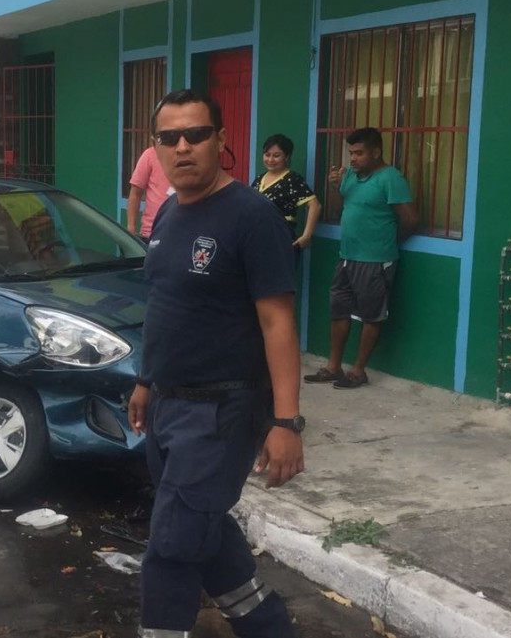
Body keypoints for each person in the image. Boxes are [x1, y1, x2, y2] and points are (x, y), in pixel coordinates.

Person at [127, 89, 304, 637]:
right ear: (155, 147)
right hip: (167, 406)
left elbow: (278, 323)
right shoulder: (168, 213)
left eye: (196, 134)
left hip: (222, 411)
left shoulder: (251, 216)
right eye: (169, 137)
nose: (182, 147)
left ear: (220, 140)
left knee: (173, 546)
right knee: (201, 528)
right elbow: (166, 305)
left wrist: (286, 421)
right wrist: (146, 381)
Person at [303, 127, 417, 389]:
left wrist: (385, 242)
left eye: (359, 153)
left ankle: (357, 370)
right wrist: (336, 187)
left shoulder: (390, 178)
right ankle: (333, 367)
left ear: (376, 152)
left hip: (375, 261)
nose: (353, 158)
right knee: (338, 311)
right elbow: (345, 208)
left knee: (371, 316)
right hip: (346, 256)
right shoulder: (350, 177)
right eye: (351, 153)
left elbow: (410, 219)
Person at [251, 134, 321, 249]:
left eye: (276, 156)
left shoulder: (292, 179)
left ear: (287, 156)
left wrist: (306, 236)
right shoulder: (259, 179)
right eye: (267, 155)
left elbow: (315, 205)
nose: (270, 160)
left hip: (280, 237)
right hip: (256, 237)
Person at [127, 146, 174, 239]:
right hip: (151, 233)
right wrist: (130, 228)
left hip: (181, 232)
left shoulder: (186, 156)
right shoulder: (150, 155)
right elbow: (135, 194)